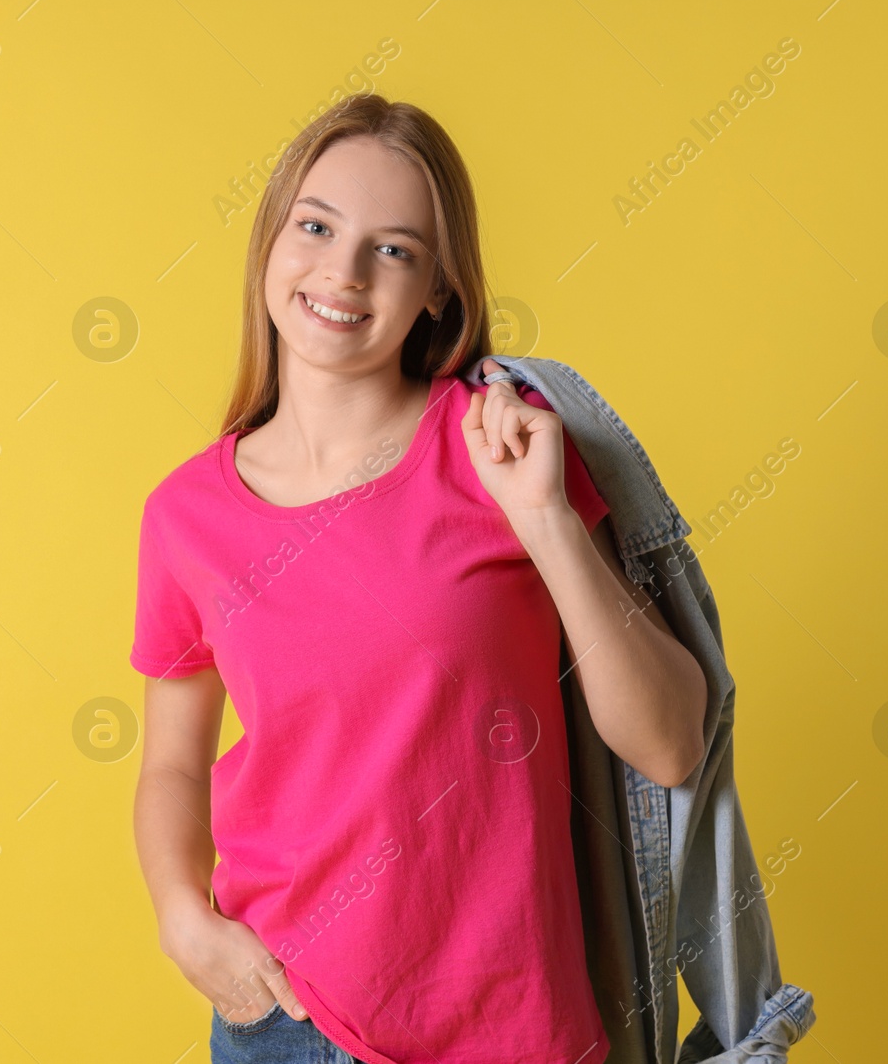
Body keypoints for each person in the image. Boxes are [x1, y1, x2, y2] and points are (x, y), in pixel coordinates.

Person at [130, 94, 707, 1064]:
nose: (342, 272)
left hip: (510, 1029)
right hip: (285, 1020)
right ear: (271, 240)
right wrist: (182, 918)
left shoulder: (498, 445)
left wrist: (549, 521)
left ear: (438, 287)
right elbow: (174, 763)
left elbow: (670, 743)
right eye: (315, 226)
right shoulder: (185, 514)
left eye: (392, 249)